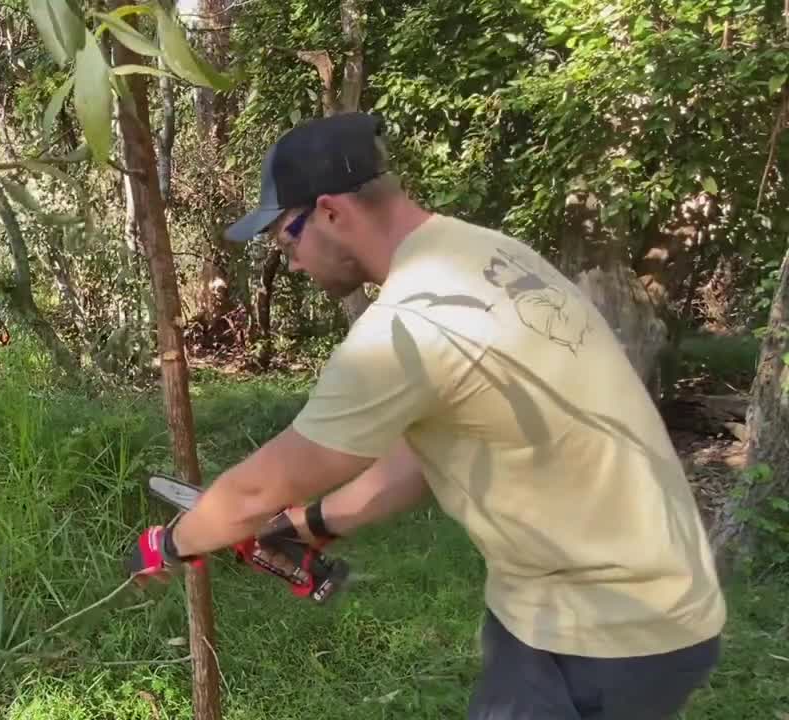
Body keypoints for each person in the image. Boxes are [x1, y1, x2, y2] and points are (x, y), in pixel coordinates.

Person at [122, 112, 726, 719]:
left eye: (288, 239)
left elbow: (256, 491)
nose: (295, 264)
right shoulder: (486, 254)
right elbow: (440, 438)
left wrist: (167, 544)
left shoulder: (409, 326)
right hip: (612, 597)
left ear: (331, 213)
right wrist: (318, 520)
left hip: (604, 629)